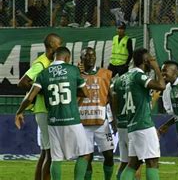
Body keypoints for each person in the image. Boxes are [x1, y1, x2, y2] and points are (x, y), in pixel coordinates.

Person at [15, 47, 93, 180]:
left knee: (56, 158)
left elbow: (29, 97)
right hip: (71, 119)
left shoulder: (44, 74)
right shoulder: (73, 70)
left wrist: (19, 112)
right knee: (86, 154)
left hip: (53, 121)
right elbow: (85, 93)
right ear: (67, 58)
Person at [17, 33, 62, 180]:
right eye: (58, 44)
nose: (60, 46)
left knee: (44, 153)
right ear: (51, 46)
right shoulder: (41, 63)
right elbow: (23, 82)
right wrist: (41, 91)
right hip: (44, 111)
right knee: (51, 153)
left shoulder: (50, 62)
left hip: (43, 111)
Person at [120, 48, 166, 180]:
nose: (152, 61)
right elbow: (161, 86)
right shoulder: (139, 76)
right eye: (150, 59)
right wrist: (157, 68)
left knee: (133, 164)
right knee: (152, 162)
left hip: (133, 125)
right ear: (146, 61)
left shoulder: (126, 77)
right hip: (143, 125)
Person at [77, 47, 115, 180]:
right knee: (87, 157)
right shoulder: (75, 75)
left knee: (109, 155)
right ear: (81, 59)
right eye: (87, 56)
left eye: (93, 56)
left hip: (101, 123)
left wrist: (114, 119)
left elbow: (111, 97)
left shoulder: (105, 73)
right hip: (82, 123)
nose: (91, 58)